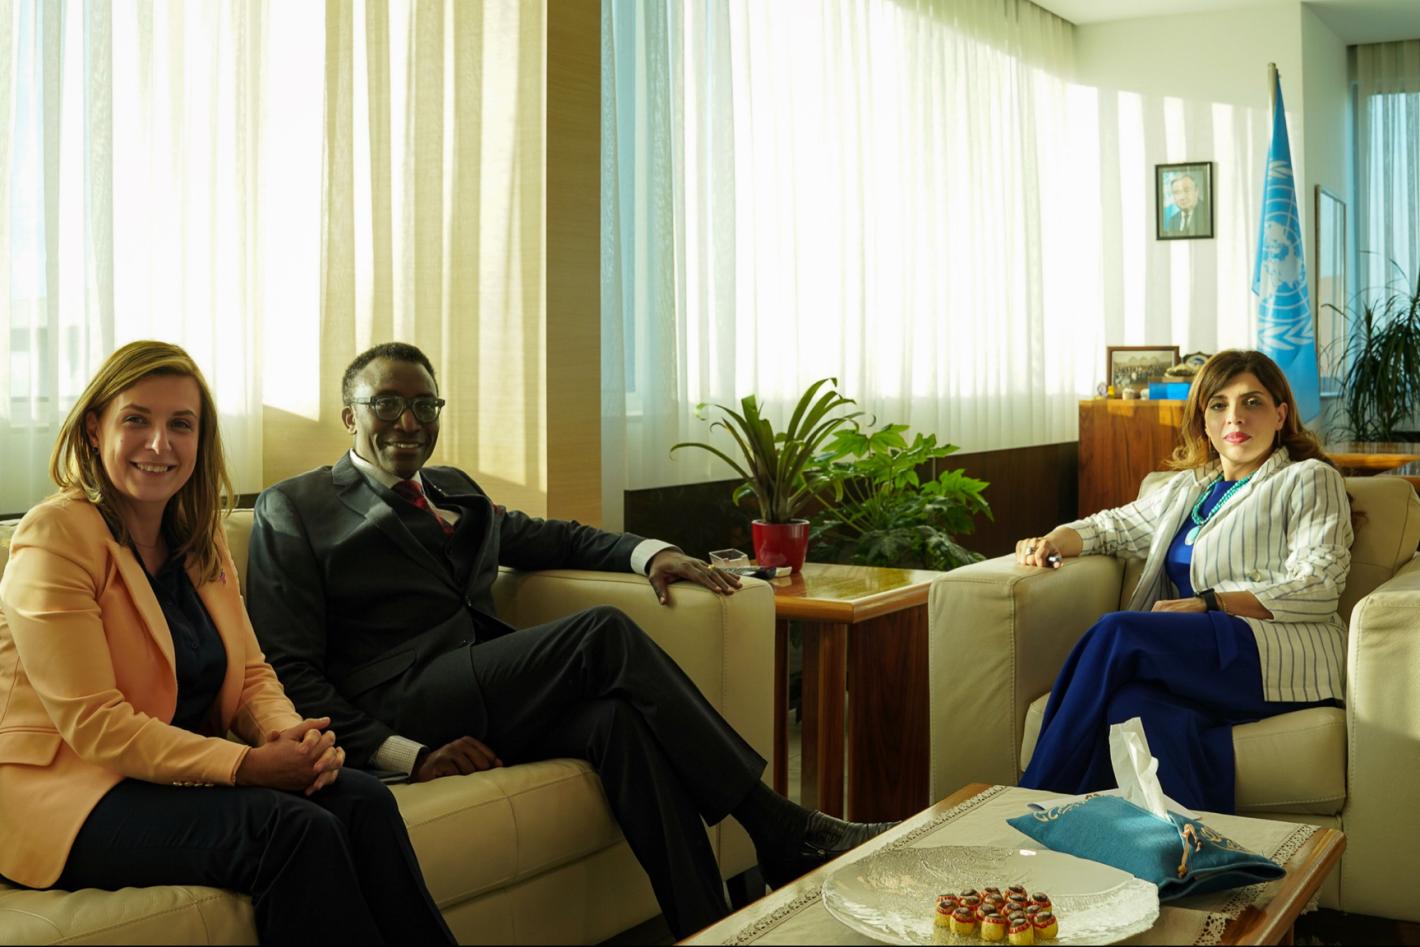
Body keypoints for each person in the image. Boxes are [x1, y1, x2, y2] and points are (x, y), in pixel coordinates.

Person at [243, 341, 894, 938]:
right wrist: (407, 755)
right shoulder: (295, 506)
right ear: (349, 416)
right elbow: (289, 668)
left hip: (480, 689)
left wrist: (651, 553)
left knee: (616, 724)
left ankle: (709, 928)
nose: (408, 422)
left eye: (424, 405)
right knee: (601, 631)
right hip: (397, 698)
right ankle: (776, 824)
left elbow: (553, 538)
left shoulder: (456, 491)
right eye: (386, 404)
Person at [0, 341, 454, 945]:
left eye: (180, 425)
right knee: (292, 829)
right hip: (66, 793)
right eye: (136, 419)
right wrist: (244, 765)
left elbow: (252, 675)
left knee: (362, 798)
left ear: (201, 439)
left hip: (166, 777)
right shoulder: (55, 536)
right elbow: (95, 724)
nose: (159, 443)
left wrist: (291, 740)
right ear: (93, 428)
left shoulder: (199, 536)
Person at [1013, 349, 1350, 813]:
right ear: (1204, 423)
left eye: (1252, 402)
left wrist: (1210, 602)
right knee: (1133, 705)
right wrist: (1052, 539)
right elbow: (1112, 527)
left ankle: (1032, 803)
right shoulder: (1188, 489)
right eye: (1219, 405)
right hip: (1201, 656)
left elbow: (1319, 584)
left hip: (1272, 651)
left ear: (1280, 415)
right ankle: (1189, 847)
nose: (1235, 417)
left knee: (1118, 632)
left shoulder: (1307, 478)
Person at [1166, 171, 1209, 236]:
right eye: (1177, 192)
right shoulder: (1172, 221)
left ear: (1196, 191)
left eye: (1187, 190)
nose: (1182, 197)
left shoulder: (1208, 214)